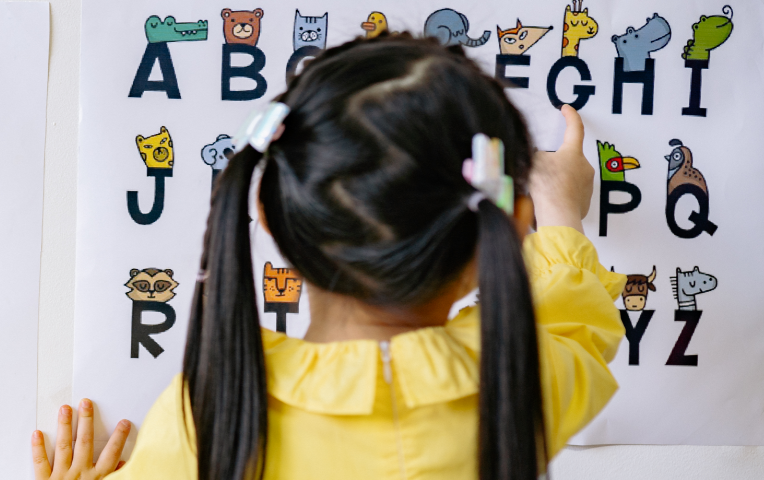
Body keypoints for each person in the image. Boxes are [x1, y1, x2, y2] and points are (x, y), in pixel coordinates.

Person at [32, 33, 625, 480]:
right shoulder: (526, 379)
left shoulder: (205, 420)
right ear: (509, 226)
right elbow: (577, 321)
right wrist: (559, 209)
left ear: (266, 214)